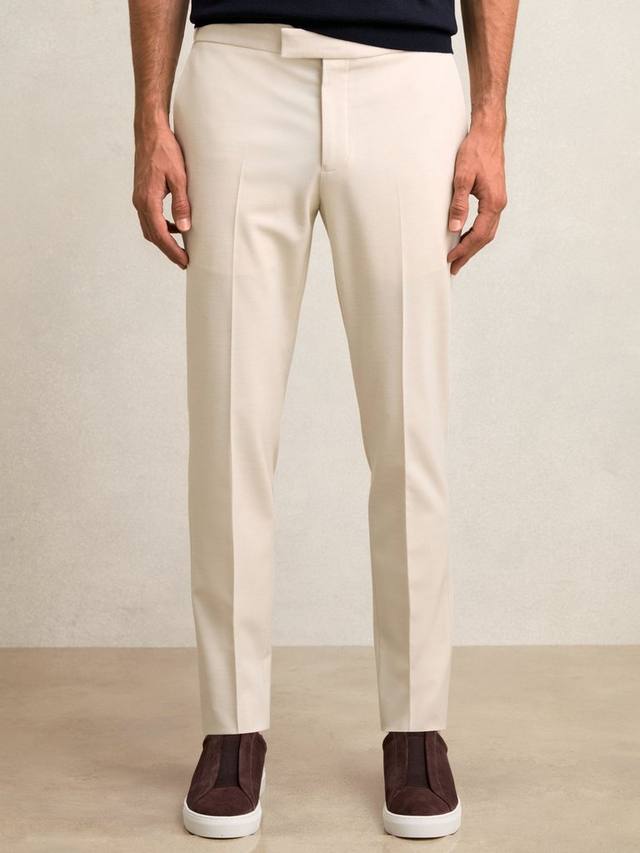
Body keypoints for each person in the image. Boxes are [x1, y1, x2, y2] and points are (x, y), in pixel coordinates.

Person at [127, 0, 518, 840]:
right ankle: (232, 726)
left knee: (410, 430)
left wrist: (489, 120)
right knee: (229, 427)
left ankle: (417, 727)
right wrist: (150, 117)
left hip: (405, 82)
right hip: (237, 72)